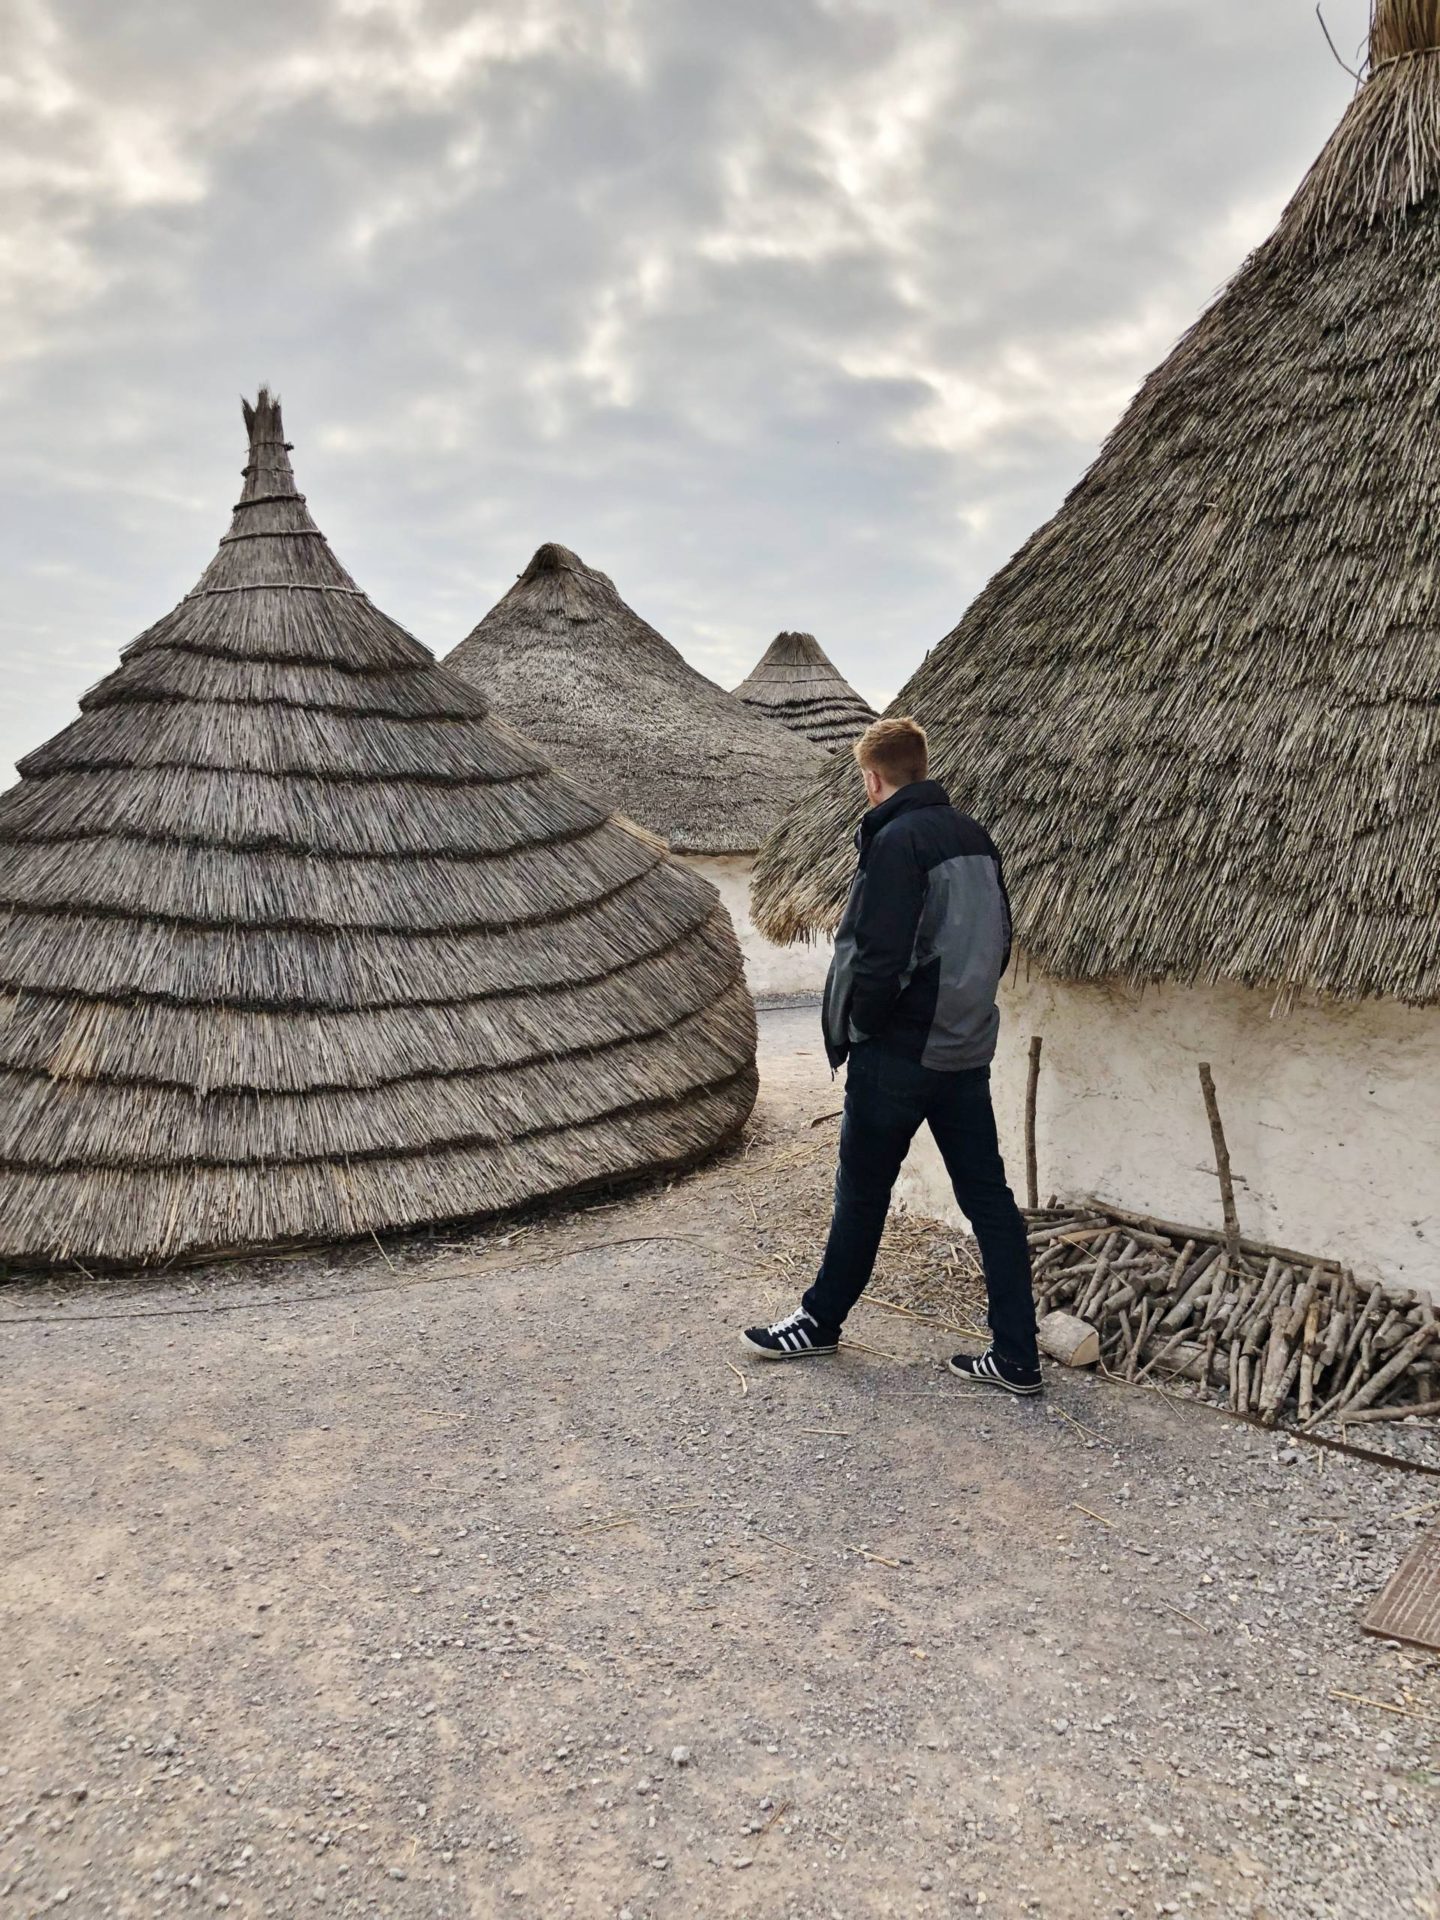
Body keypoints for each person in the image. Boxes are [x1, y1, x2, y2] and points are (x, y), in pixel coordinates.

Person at [742, 716, 1041, 1395]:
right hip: (964, 1050)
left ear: (872, 778)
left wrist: (866, 1030)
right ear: (922, 767)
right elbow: (999, 943)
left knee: (861, 1192)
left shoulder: (897, 840)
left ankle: (818, 1323)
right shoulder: (976, 838)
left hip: (902, 1054)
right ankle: (1017, 1356)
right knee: (989, 1200)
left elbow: (878, 957)